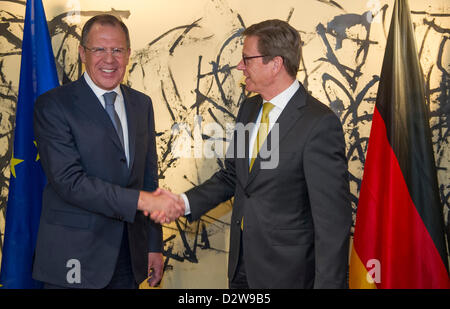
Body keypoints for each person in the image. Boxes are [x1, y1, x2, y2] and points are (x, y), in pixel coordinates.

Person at [155, 19, 352, 289]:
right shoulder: (249, 109)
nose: (239, 66)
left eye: (247, 59)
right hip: (241, 269)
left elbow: (333, 223)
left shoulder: (319, 123)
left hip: (289, 275)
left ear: (276, 64)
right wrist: (182, 203)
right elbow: (234, 176)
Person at [32, 14, 184, 289]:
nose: (109, 59)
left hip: (129, 257)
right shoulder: (54, 105)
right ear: (82, 53)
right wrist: (141, 201)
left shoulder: (141, 104)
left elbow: (148, 178)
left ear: (128, 54)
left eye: (117, 50)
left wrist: (153, 245)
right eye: (99, 49)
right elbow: (70, 182)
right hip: (74, 258)